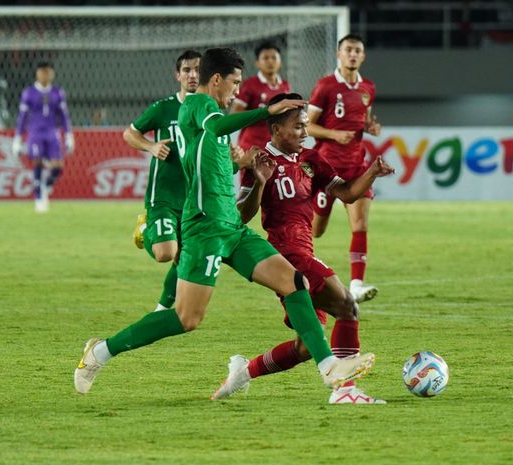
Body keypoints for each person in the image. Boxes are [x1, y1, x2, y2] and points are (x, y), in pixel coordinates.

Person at [74, 47, 375, 396]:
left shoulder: (212, 122)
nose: (237, 91)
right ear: (216, 80)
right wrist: (267, 110)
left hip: (231, 226)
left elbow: (212, 165)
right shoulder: (200, 106)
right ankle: (100, 352)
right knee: (187, 319)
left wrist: (243, 163)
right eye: (234, 83)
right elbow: (216, 126)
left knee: (294, 282)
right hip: (204, 228)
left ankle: (328, 368)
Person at [212, 92, 394, 404]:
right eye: (298, 127)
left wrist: (372, 173)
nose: (305, 133)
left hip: (304, 252)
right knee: (347, 306)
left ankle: (244, 371)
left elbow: (348, 194)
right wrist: (259, 181)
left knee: (306, 347)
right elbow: (242, 214)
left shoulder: (311, 160)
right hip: (284, 256)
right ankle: (345, 391)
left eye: (306, 126)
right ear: (276, 129)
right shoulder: (259, 160)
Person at [307, 34, 382, 303]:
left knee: (360, 224)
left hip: (357, 168)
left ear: (363, 56)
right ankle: (303, 274)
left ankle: (357, 285)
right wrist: (333, 134)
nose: (352, 54)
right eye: (348, 50)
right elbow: (307, 126)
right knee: (316, 230)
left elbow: (363, 119)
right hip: (327, 170)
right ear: (339, 54)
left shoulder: (368, 88)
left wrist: (369, 127)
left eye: (357, 51)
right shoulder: (325, 86)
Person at [123, 49, 201, 312]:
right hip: (164, 195)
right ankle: (146, 230)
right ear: (177, 75)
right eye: (187, 70)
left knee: (185, 256)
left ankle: (162, 309)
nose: (192, 74)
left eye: (197, 69)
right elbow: (130, 134)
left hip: (193, 198)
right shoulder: (163, 108)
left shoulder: (209, 111)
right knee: (166, 253)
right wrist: (151, 146)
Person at [12, 62, 74, 213]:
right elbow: (22, 117)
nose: (45, 75)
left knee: (58, 167)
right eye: (42, 72)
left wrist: (68, 135)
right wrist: (18, 138)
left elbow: (64, 117)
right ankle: (39, 197)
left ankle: (45, 186)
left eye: (48, 72)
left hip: (53, 133)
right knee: (37, 163)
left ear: (51, 74)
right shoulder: (29, 93)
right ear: (37, 74)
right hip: (35, 133)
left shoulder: (58, 93)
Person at [231, 42, 290, 151]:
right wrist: (262, 113)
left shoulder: (285, 86)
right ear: (257, 63)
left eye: (274, 58)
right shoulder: (249, 85)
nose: (270, 61)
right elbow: (235, 115)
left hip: (277, 146)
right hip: (252, 145)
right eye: (266, 58)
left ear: (280, 62)